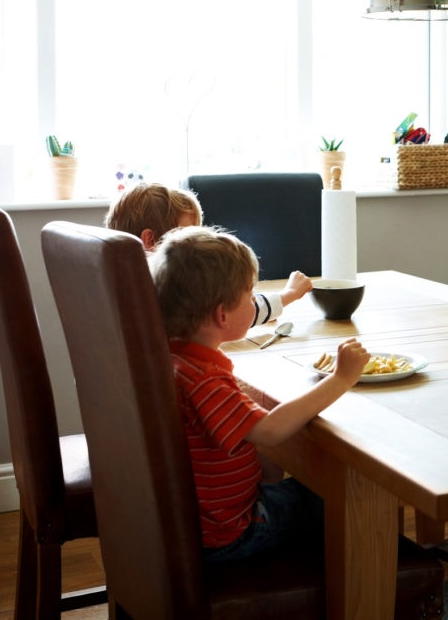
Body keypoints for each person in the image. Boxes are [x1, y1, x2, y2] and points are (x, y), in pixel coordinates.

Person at [150, 224, 370, 562]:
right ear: (221, 314)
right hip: (230, 533)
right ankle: (364, 586)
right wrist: (341, 378)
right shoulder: (204, 380)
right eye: (250, 295)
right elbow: (270, 431)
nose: (255, 302)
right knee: (343, 494)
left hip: (196, 523)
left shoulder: (175, 357)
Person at [105, 181, 311, 326]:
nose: (197, 244)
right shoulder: (170, 287)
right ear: (150, 241)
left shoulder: (117, 284)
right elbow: (232, 316)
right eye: (187, 236)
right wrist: (288, 295)